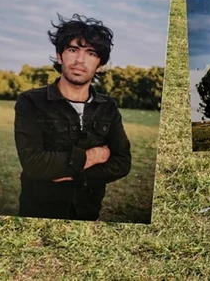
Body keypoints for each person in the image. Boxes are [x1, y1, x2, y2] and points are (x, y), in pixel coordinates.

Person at [13, 14, 132, 221]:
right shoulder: (30, 102)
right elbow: (34, 163)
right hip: (38, 214)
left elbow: (122, 162)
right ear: (60, 56)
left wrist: (77, 174)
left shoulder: (108, 107)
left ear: (100, 64)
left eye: (91, 53)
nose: (80, 60)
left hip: (88, 213)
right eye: (72, 49)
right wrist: (92, 156)